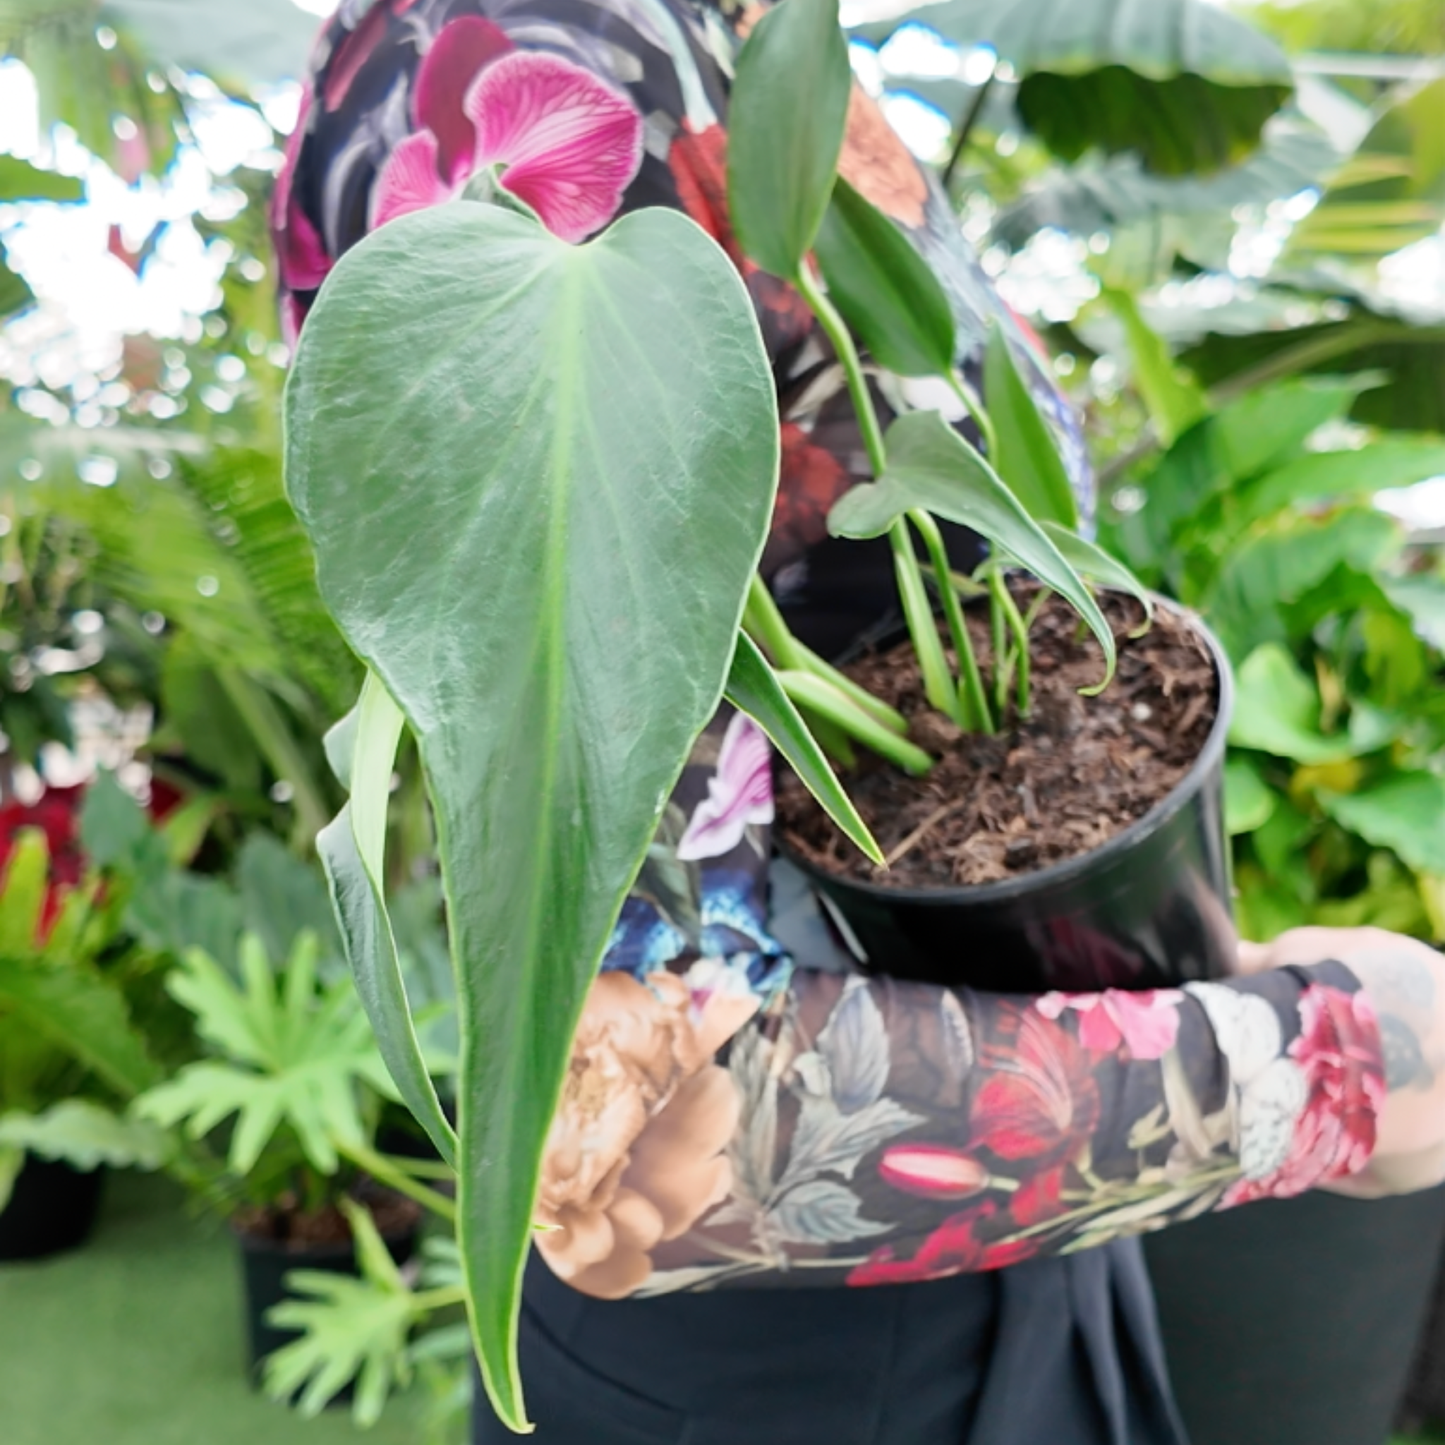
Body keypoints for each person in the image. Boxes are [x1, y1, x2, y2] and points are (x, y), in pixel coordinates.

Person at [273, 3, 1445, 1441]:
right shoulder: (536, 57)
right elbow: (639, 1111)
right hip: (804, 1349)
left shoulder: (727, 36)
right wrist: (1335, 1066)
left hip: (999, 1243)